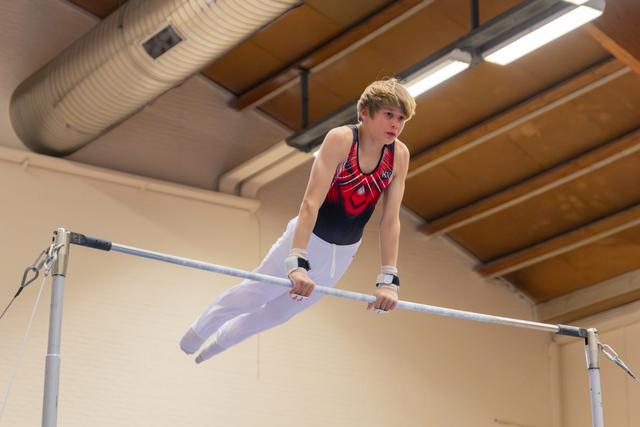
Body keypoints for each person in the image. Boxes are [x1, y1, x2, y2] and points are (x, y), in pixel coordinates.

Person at [180, 78, 416, 363]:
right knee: (254, 295)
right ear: (364, 112)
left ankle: (220, 343)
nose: (395, 124)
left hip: (342, 252)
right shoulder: (342, 139)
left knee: (279, 313)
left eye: (401, 118)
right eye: (388, 114)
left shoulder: (399, 155)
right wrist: (297, 260)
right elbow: (310, 202)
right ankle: (196, 333)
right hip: (308, 237)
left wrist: (388, 280)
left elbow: (390, 221)